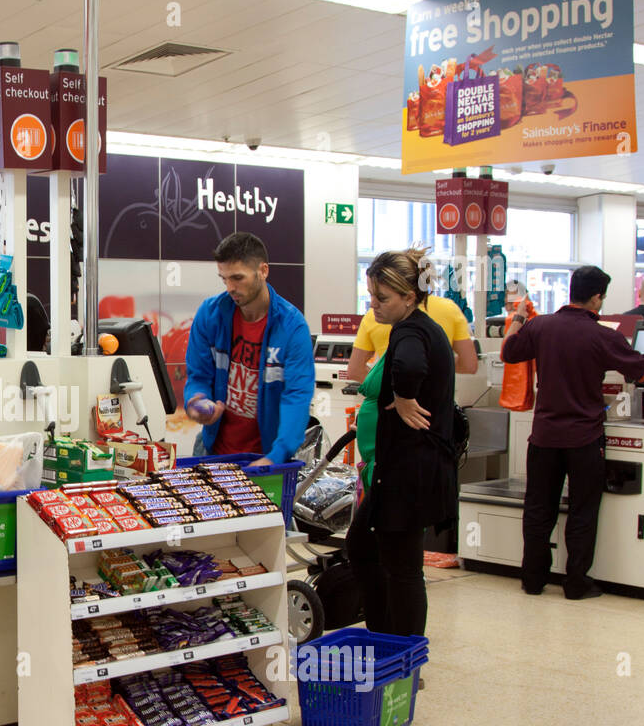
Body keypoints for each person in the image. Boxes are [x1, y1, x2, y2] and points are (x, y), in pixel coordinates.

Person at [502, 266, 644, 599]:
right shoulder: (603, 335)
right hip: (584, 439)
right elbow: (641, 370)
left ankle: (533, 579)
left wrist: (519, 318)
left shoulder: (541, 326)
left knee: (539, 508)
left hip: (543, 438)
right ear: (597, 297)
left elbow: (510, 352)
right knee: (582, 510)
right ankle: (576, 582)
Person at [346, 248, 455, 638]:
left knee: (403, 568)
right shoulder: (418, 328)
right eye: (371, 296)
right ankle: (384, 638)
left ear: (409, 296)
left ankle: (404, 660)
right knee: (363, 548)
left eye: (382, 298)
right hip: (398, 470)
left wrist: (405, 396)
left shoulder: (411, 330)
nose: (373, 305)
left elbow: (409, 366)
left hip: (409, 473)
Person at [184, 232, 315, 465]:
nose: (230, 287)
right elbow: (198, 377)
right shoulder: (210, 314)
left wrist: (278, 455)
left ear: (263, 270)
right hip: (212, 452)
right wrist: (196, 402)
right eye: (224, 279)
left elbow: (297, 396)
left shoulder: (292, 327)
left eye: (237, 278)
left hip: (266, 457)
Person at [346, 287, 477, 383]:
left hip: (391, 406)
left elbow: (355, 370)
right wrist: (436, 365)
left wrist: (387, 390)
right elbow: (469, 364)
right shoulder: (449, 309)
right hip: (436, 402)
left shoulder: (376, 314)